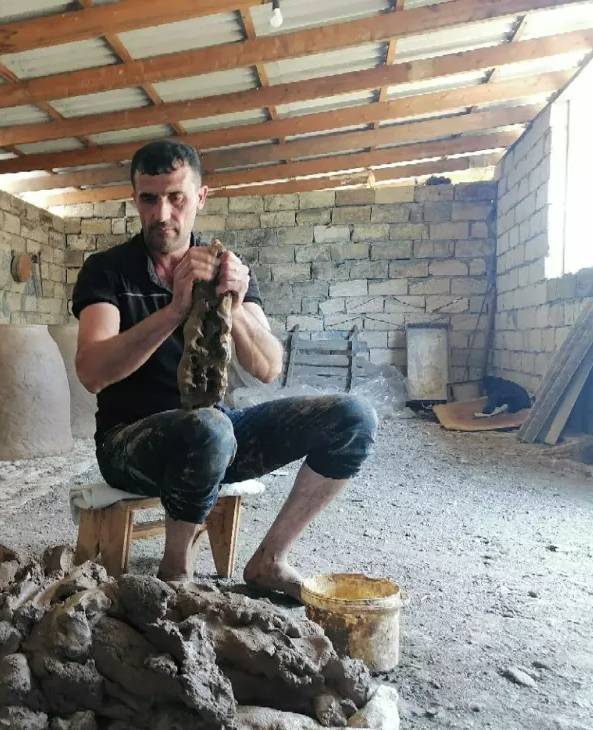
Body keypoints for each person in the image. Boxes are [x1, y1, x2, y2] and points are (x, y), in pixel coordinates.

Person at [71, 139, 379, 600]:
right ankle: (175, 575)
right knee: (209, 427)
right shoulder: (107, 270)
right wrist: (175, 310)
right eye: (149, 199)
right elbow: (92, 372)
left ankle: (270, 559)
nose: (162, 214)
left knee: (353, 419)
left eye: (176, 198)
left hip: (216, 436)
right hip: (128, 443)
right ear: (134, 198)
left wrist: (233, 302)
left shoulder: (226, 268)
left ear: (200, 198)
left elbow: (269, 367)